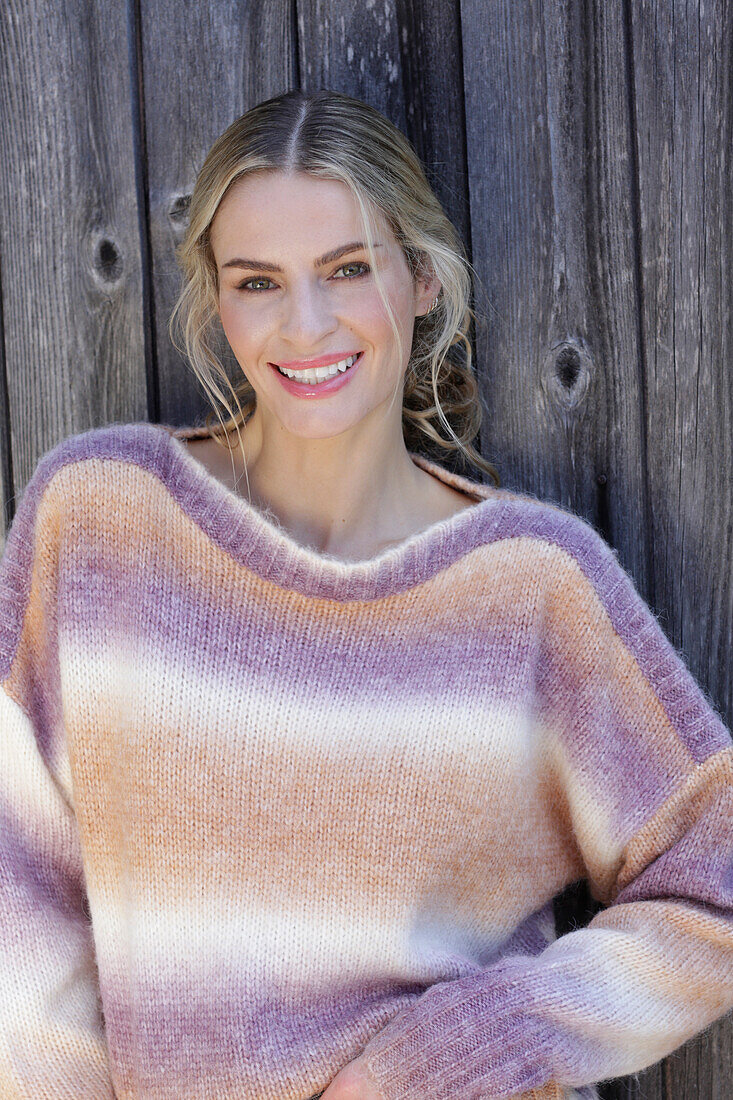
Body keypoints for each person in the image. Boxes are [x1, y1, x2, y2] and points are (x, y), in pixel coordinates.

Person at [0, 88, 731, 1100]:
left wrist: (495, 1033)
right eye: (259, 281)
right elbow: (18, 902)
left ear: (421, 278)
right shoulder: (100, 518)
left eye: (347, 269)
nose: (306, 325)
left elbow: (713, 877)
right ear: (216, 300)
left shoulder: (531, 585)